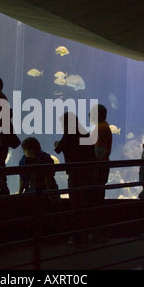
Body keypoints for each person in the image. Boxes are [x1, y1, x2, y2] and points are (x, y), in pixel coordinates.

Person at [54, 112, 97, 246]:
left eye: (62, 123)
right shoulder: (83, 130)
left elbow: (58, 148)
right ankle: (84, 235)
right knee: (83, 204)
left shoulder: (70, 131)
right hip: (87, 173)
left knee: (76, 205)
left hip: (76, 173)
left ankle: (79, 238)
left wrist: (57, 143)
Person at [90, 104, 112, 243]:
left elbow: (99, 151)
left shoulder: (101, 128)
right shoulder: (103, 127)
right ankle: (99, 233)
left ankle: (99, 233)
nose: (88, 115)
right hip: (101, 167)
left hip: (98, 168)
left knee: (96, 200)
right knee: (98, 199)